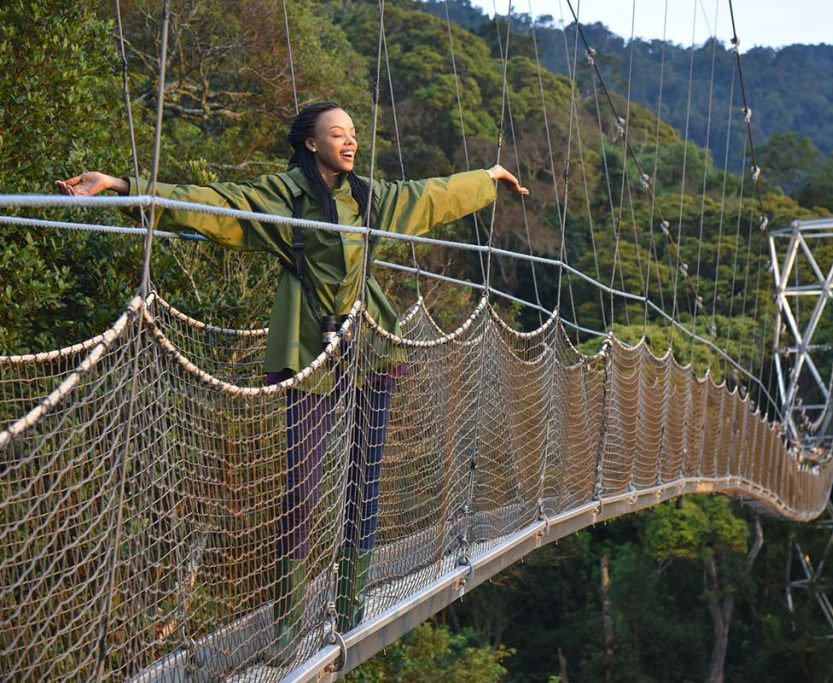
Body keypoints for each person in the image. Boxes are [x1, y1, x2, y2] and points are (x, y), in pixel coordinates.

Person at [58, 101, 528, 664]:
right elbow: (216, 204)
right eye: (338, 134)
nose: (350, 142)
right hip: (307, 345)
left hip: (369, 343)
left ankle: (351, 604)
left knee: (365, 477)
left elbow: (428, 196)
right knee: (301, 489)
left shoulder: (369, 198)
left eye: (353, 134)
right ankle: (287, 624)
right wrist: (122, 185)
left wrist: (487, 178)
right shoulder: (285, 195)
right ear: (311, 143)